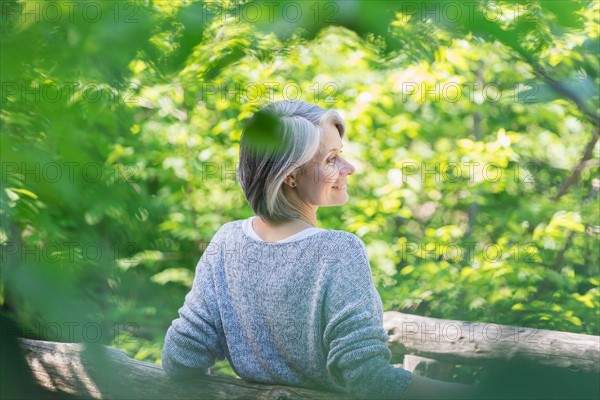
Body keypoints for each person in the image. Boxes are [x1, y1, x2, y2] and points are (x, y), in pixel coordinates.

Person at [161, 100, 477, 399]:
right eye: (330, 159)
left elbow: (180, 359)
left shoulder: (226, 242)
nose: (349, 167)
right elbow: (371, 380)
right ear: (290, 176)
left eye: (341, 154)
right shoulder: (338, 250)